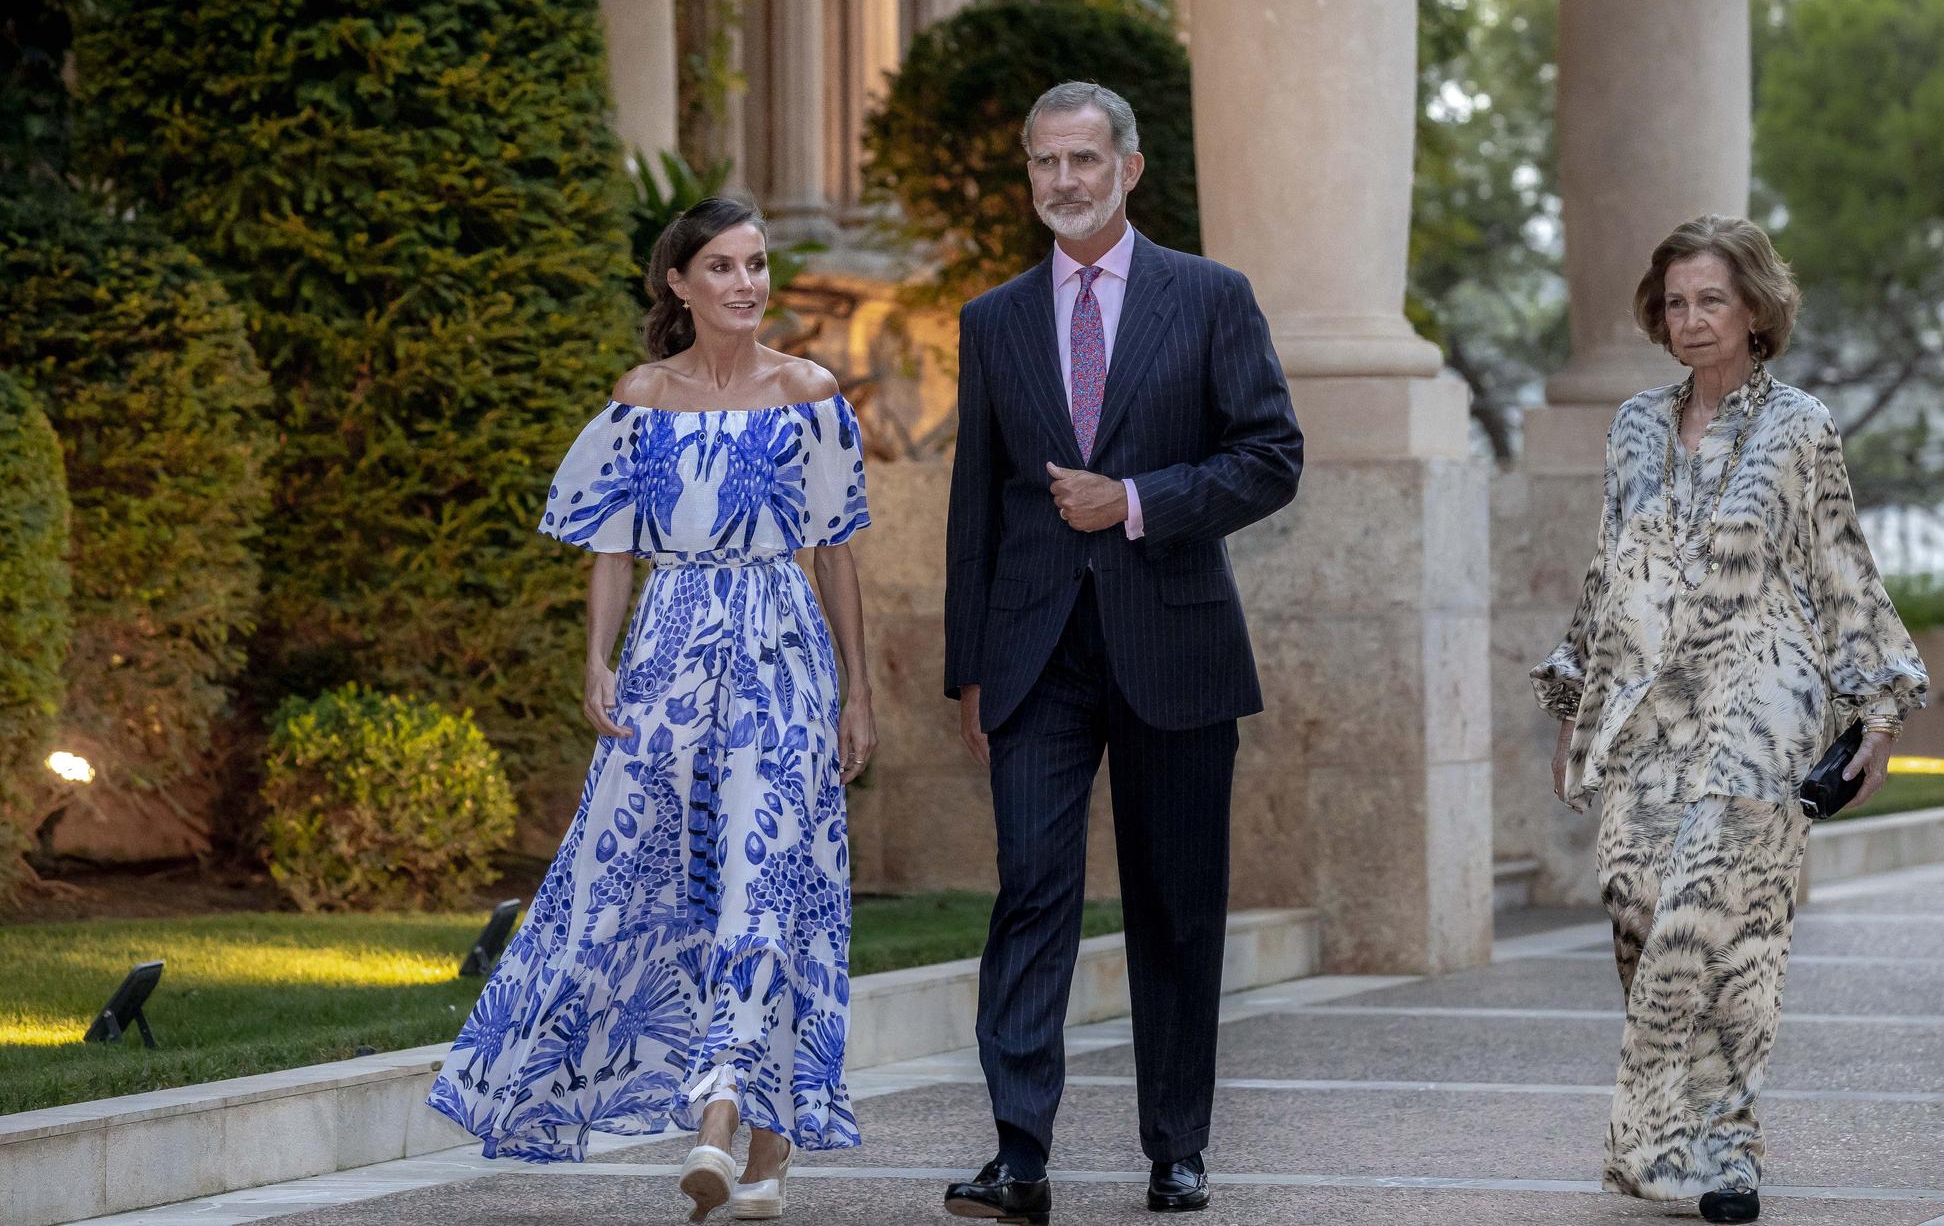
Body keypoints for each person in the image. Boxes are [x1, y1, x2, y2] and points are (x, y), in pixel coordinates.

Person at [427, 196, 875, 1224]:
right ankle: (766, 1145)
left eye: (756, 265)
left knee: (769, 875)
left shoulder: (809, 392)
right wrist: (598, 658)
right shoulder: (642, 397)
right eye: (721, 267)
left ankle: (718, 1116)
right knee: (647, 875)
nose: (746, 285)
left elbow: (836, 550)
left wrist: (858, 690)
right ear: (677, 283)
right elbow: (612, 545)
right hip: (669, 655)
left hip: (778, 652)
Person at [941, 81, 1302, 1223]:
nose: (1063, 181)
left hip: (1175, 643)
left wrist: (1135, 500)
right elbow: (974, 508)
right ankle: (1018, 1154)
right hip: (1035, 653)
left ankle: (1176, 1148)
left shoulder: (1208, 297)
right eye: (1044, 162)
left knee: (1176, 902)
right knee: (1031, 891)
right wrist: (970, 666)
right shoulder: (992, 319)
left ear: (1128, 168)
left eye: (1083, 160)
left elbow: (1271, 455)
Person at [1533, 215, 1927, 1224]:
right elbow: (1605, 569)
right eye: (1673, 302)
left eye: (1710, 298)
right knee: (1635, 914)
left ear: (1754, 309)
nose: (1689, 318)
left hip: (1761, 708)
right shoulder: (1630, 424)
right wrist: (1574, 703)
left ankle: (1725, 1151)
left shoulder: (1798, 425)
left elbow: (1841, 567)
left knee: (1723, 932)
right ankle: (1680, 1127)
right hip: (1640, 717)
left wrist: (1874, 718)